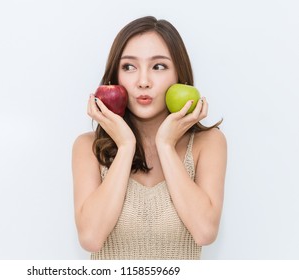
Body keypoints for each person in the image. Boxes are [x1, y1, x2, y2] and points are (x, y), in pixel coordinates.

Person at [72, 16, 227, 260]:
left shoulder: (208, 144)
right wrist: (125, 146)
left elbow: (205, 232)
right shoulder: (87, 147)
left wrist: (165, 145)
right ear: (115, 77)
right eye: (129, 67)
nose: (143, 82)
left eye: (158, 66)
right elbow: (91, 238)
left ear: (179, 76)